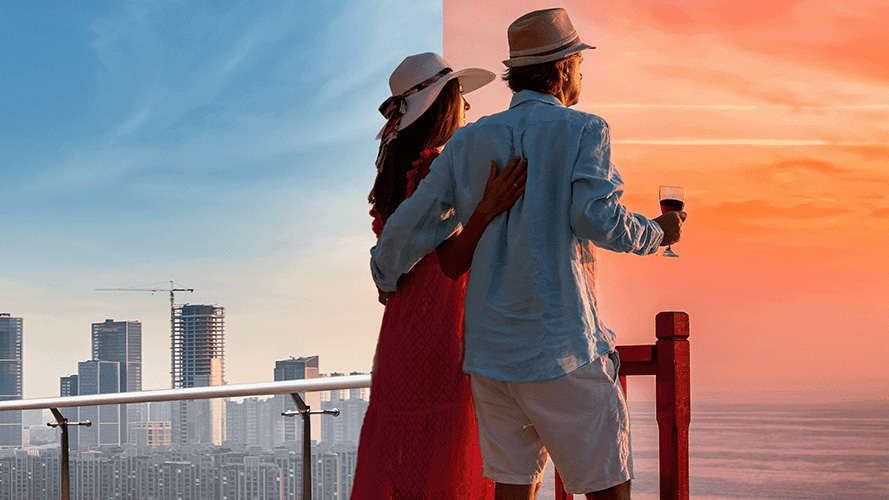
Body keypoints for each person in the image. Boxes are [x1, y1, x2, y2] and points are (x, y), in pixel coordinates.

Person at [369, 9, 686, 500]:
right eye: (580, 65)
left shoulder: (468, 143)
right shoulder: (585, 131)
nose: (581, 76)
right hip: (562, 346)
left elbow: (408, 228)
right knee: (608, 488)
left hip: (492, 357)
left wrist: (385, 276)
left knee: (513, 490)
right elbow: (597, 220)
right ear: (562, 68)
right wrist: (660, 232)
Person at [351, 52, 527, 500]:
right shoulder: (436, 169)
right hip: (441, 325)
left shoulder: (398, 170)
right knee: (447, 449)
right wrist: (487, 209)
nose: (467, 107)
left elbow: (392, 263)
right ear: (443, 104)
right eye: (460, 96)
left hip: (402, 329)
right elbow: (452, 259)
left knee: (408, 456)